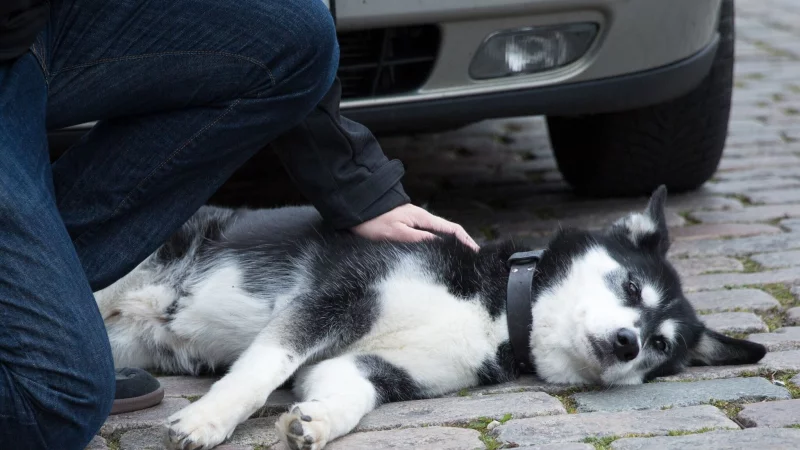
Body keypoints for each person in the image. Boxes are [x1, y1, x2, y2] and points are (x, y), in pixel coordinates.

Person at [0, 1, 478, 449]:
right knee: (55, 396)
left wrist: (356, 184)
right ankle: (39, 342)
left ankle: (41, 319)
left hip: (30, 28)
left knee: (295, 33)